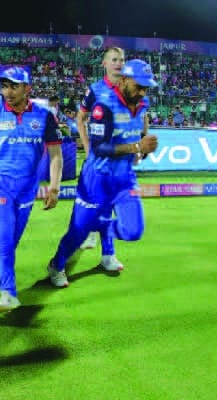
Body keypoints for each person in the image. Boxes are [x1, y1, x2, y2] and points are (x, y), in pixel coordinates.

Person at [47, 59, 159, 288]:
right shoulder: (104, 106)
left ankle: (98, 226)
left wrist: (142, 147)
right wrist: (137, 147)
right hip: (96, 179)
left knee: (133, 231)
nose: (142, 92)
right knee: (77, 233)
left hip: (125, 178)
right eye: (139, 86)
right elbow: (99, 148)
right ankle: (56, 264)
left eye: (146, 88)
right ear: (125, 80)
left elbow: (137, 129)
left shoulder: (142, 102)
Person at [0, 66, 63, 311]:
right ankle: (8, 292)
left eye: (14, 86)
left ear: (27, 88)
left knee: (12, 239)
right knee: (4, 235)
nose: (7, 92)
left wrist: (54, 187)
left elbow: (55, 154)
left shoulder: (44, 116)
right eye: (4, 86)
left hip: (27, 187)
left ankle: (3, 269)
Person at [76, 47, 125, 271]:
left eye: (121, 60)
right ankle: (101, 246)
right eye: (114, 60)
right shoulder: (95, 90)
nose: (118, 63)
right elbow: (81, 118)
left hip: (119, 159)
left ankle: (103, 248)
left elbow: (139, 118)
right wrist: (87, 147)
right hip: (98, 159)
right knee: (96, 202)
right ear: (105, 64)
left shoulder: (129, 88)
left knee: (109, 206)